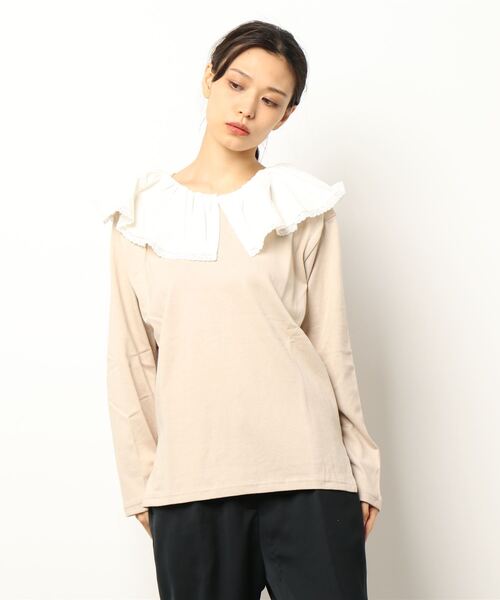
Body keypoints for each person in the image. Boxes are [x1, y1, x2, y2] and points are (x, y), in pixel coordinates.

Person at [103, 19, 382, 600]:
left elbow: (332, 347)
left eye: (271, 100)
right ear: (208, 78)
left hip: (309, 477)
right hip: (191, 485)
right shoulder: (140, 217)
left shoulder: (302, 208)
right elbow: (131, 360)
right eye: (236, 84)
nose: (247, 108)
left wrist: (362, 470)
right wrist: (144, 484)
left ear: (286, 116)